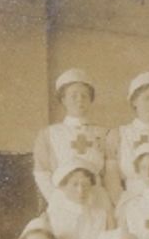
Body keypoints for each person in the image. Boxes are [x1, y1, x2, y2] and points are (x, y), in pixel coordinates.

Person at [32, 68, 107, 209]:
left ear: (91, 100)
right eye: (74, 96)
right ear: (63, 100)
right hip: (61, 202)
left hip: (97, 202)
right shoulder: (48, 134)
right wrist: (59, 202)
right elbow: (42, 173)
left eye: (85, 96)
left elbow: (108, 174)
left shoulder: (104, 133)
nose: (80, 100)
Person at [105, 71, 149, 199]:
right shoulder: (118, 135)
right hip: (127, 201)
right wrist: (122, 206)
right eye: (147, 98)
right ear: (134, 101)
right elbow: (112, 181)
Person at [44, 162, 112, 239]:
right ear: (63, 187)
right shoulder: (52, 216)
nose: (80, 190)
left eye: (85, 185)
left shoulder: (102, 215)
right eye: (75, 184)